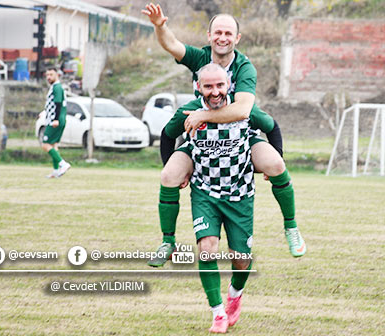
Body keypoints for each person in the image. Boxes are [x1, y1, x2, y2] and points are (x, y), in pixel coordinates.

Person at [142, 3, 305, 266]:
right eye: (217, 32)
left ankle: (291, 227)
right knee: (169, 175)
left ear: (237, 39)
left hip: (240, 136)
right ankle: (167, 241)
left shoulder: (244, 67)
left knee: (275, 164)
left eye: (228, 33)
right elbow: (171, 45)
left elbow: (242, 110)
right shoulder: (200, 58)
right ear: (209, 35)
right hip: (201, 140)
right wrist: (160, 26)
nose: (222, 38)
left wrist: (203, 115)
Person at [166, 64, 261, 333]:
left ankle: (235, 293)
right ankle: (217, 313)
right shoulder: (188, 111)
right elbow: (167, 134)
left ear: (229, 84)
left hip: (240, 195)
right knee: (207, 249)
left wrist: (273, 161)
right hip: (204, 193)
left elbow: (272, 127)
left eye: (220, 85)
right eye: (208, 86)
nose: (215, 91)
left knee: (241, 258)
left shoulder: (244, 110)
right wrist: (178, 166)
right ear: (198, 87)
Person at [41, 68, 71, 178]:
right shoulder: (54, 87)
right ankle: (56, 171)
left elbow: (58, 104)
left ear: (57, 75)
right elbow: (52, 105)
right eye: (47, 75)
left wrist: (55, 119)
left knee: (45, 145)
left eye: (51, 74)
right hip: (55, 119)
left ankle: (63, 164)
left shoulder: (57, 87)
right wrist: (44, 112)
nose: (48, 77)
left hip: (55, 120)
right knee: (53, 145)